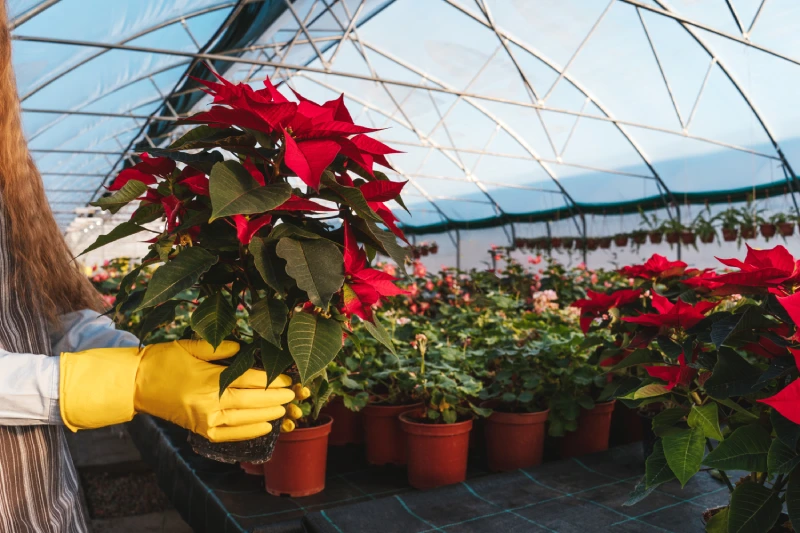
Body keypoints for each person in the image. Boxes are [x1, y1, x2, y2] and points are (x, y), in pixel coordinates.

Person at [0, 3, 295, 531]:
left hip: (45, 503)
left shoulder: (9, 182)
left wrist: (148, 362)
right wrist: (131, 381)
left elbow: (44, 311)